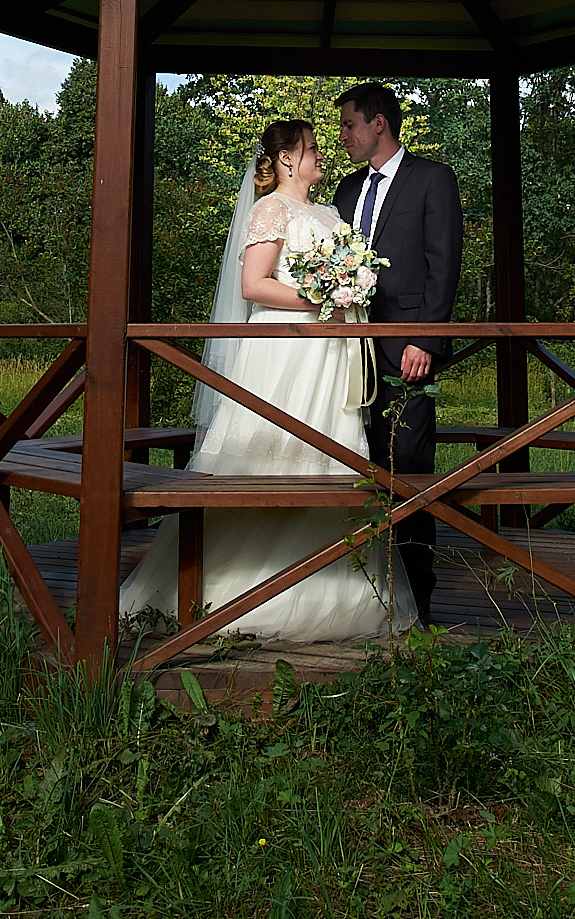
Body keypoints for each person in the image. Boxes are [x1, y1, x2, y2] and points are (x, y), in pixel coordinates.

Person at [118, 119, 411, 640]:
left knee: (332, 459)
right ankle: (228, 587)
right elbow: (253, 285)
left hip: (328, 356)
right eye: (312, 149)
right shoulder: (269, 209)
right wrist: (319, 298)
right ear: (285, 160)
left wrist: (350, 289)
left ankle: (330, 589)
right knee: (270, 456)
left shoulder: (329, 212)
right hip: (283, 355)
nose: (322, 155)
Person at [330, 81, 464, 626]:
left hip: (408, 348)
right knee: (354, 465)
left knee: (408, 470)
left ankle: (417, 600)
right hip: (345, 355)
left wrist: (425, 341)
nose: (342, 137)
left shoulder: (432, 179)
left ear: (377, 123)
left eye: (348, 125)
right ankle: (364, 595)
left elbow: (444, 266)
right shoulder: (344, 190)